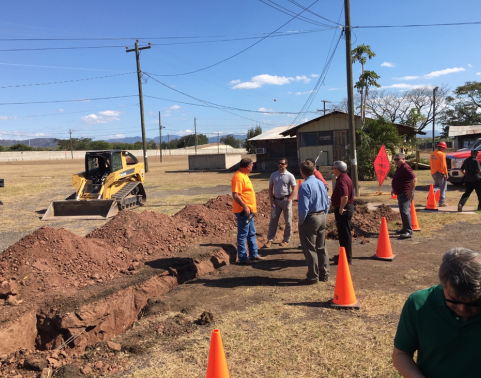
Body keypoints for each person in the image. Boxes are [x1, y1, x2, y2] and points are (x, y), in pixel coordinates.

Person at [393, 247, 481, 378]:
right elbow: (401, 355)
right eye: (455, 301)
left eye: (473, 302)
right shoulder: (419, 304)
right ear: (443, 285)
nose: (463, 309)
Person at [297, 160, 330, 284]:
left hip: (310, 218)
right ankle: (324, 274)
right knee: (321, 247)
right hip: (321, 216)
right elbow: (327, 202)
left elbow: (304, 208)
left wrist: (301, 222)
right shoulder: (321, 183)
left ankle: (313, 276)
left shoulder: (305, 186)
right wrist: (324, 215)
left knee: (310, 248)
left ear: (302, 171)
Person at [231, 158, 264, 264]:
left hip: (249, 212)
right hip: (243, 211)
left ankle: (254, 254)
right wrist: (245, 206)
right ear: (247, 166)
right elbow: (235, 195)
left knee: (251, 233)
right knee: (242, 234)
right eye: (252, 165)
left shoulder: (244, 175)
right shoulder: (238, 177)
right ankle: (243, 258)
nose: (253, 166)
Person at [263, 158, 297, 248]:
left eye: (282, 163)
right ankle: (270, 240)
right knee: (273, 221)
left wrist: (289, 199)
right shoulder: (273, 175)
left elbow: (294, 189)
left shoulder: (290, 176)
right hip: (275, 201)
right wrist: (271, 200)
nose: (280, 165)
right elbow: (270, 188)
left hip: (286, 200)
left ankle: (286, 239)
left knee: (288, 222)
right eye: (279, 163)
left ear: (286, 165)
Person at [330, 160, 354, 264]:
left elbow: (345, 196)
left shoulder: (342, 180)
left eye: (333, 168)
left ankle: (347, 258)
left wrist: (340, 208)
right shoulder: (344, 177)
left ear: (337, 169)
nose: (332, 170)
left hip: (344, 209)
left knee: (344, 234)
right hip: (345, 208)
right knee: (343, 234)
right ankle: (344, 254)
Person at [391, 153, 417, 239]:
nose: (396, 161)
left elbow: (414, 179)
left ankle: (409, 231)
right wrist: (394, 189)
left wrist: (411, 191)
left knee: (405, 212)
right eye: (395, 159)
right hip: (400, 193)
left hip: (405, 193)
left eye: (398, 159)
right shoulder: (399, 168)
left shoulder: (406, 167)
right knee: (403, 212)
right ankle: (405, 228)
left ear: (403, 159)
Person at [430, 141, 448, 207]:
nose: (445, 149)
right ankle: (442, 202)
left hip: (433, 172)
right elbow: (444, 165)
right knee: (443, 188)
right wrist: (446, 174)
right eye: (444, 148)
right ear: (442, 147)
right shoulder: (442, 154)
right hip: (440, 173)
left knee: (437, 186)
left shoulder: (432, 154)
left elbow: (431, 164)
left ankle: (431, 193)